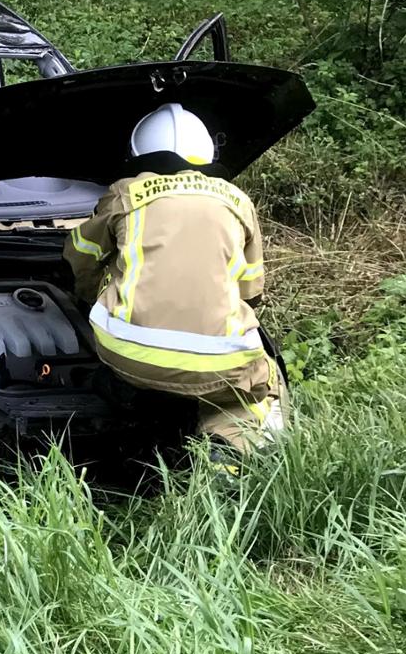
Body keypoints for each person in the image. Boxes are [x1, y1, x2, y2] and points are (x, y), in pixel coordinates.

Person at [65, 102, 285, 453]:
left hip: (125, 352)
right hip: (220, 364)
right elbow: (251, 289)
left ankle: (123, 388)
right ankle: (233, 452)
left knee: (117, 269)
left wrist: (88, 294)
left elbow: (81, 254)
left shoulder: (126, 192)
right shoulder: (238, 202)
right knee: (261, 383)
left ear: (138, 155)